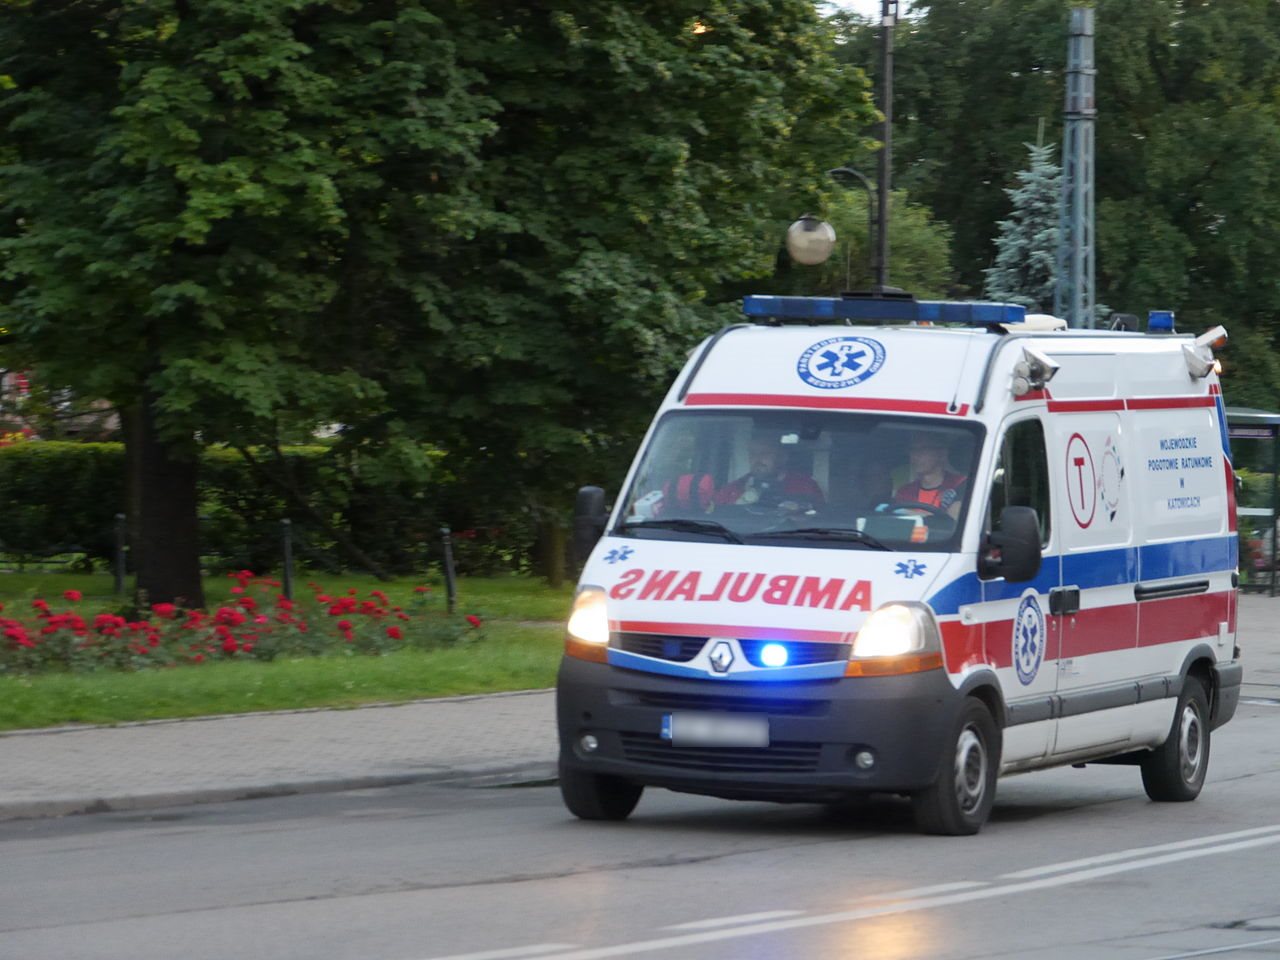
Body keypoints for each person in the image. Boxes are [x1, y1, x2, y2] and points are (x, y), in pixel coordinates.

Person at [716, 435, 825, 510]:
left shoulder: (806, 487)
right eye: (753, 453)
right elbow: (720, 517)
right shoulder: (733, 489)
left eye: (765, 453)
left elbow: (817, 521)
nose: (757, 459)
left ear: (782, 457)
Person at [893, 432, 966, 518]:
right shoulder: (905, 491)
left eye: (923, 449)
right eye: (913, 450)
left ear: (942, 454)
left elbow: (955, 520)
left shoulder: (960, 484)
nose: (916, 455)